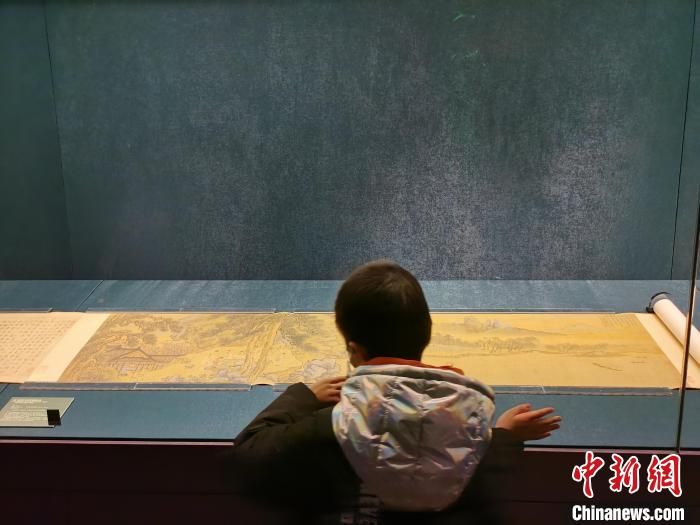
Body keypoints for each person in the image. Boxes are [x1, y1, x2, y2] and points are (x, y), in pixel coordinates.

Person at [229, 260, 561, 524]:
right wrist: (504, 436)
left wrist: (304, 397)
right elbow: (483, 472)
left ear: (355, 351)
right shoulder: (471, 433)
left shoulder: (329, 426)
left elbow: (248, 456)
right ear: (426, 335)